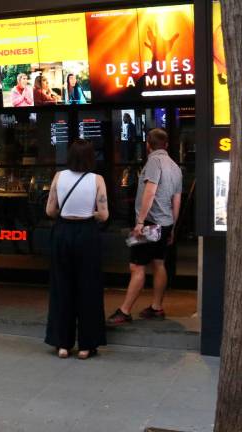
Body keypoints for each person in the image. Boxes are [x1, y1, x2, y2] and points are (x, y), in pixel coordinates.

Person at [107, 128, 182, 326]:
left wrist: (140, 222)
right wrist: (172, 227)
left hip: (150, 224)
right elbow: (177, 200)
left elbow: (150, 191)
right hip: (165, 223)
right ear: (166, 145)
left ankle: (124, 311)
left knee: (137, 266)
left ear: (148, 145)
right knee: (158, 263)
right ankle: (156, 307)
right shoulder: (175, 167)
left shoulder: (153, 162)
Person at [45, 139, 109, 360]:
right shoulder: (97, 180)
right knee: (89, 289)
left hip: (62, 233)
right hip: (87, 234)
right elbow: (104, 214)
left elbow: (50, 211)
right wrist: (89, 213)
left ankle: (62, 344)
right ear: (91, 157)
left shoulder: (58, 177)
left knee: (61, 287)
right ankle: (86, 346)